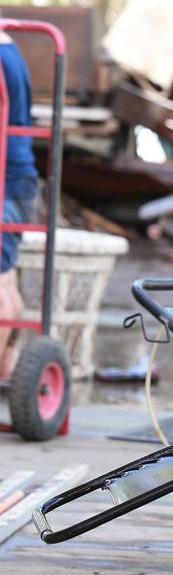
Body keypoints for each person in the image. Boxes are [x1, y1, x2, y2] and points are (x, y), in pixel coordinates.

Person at [0, 31, 38, 375]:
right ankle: (7, 368)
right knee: (5, 277)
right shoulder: (8, 42)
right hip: (19, 178)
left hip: (6, 180)